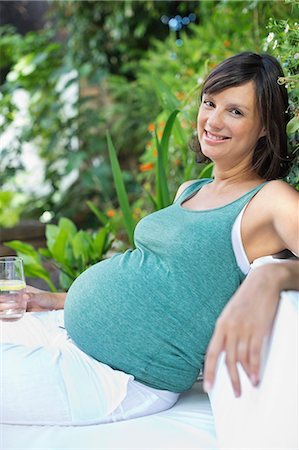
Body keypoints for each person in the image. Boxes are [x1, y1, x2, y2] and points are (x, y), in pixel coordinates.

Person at [1, 52, 298, 426]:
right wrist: (55, 300)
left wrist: (277, 275)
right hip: (69, 335)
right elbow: (161, 277)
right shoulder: (192, 189)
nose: (213, 120)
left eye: (235, 112)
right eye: (209, 103)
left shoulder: (270, 200)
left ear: (266, 128)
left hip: (118, 379)